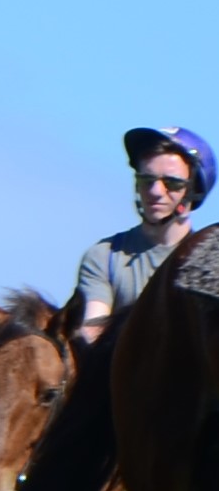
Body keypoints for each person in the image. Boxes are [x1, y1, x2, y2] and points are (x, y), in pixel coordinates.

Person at [77, 128, 211, 337]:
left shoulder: (209, 262)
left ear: (193, 191)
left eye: (172, 183)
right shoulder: (105, 256)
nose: (156, 192)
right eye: (147, 181)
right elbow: (91, 334)